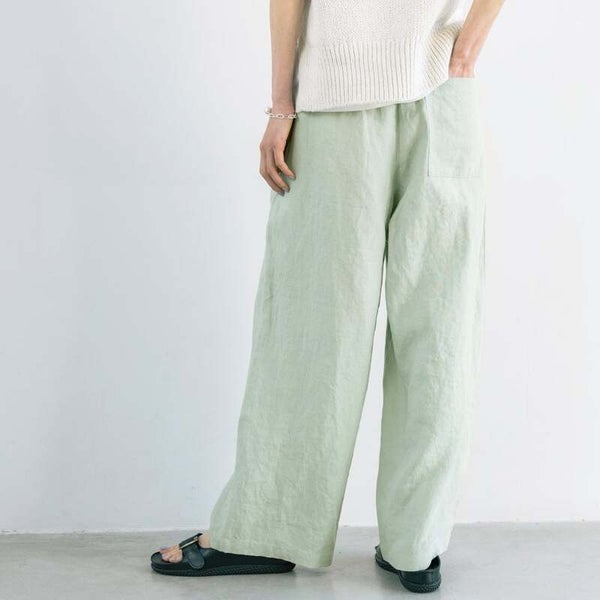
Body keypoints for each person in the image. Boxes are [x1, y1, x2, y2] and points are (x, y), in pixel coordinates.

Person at [150, 0, 505, 593]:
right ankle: (388, 542)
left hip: (432, 93)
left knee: (414, 330)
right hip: (349, 97)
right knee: (339, 327)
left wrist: (466, 49)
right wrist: (282, 106)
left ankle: (396, 539)